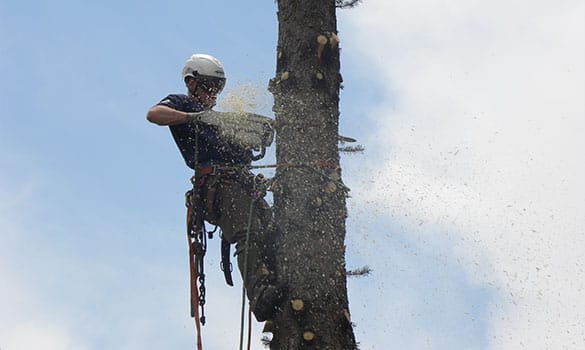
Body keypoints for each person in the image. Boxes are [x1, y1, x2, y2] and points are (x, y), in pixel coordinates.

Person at [146, 54, 281, 321]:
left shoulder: (219, 119)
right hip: (220, 185)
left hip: (243, 183)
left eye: (217, 87)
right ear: (191, 82)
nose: (213, 92)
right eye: (208, 85)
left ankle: (280, 289)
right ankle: (262, 296)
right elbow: (154, 114)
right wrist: (194, 118)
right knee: (247, 233)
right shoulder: (183, 104)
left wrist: (251, 133)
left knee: (274, 235)